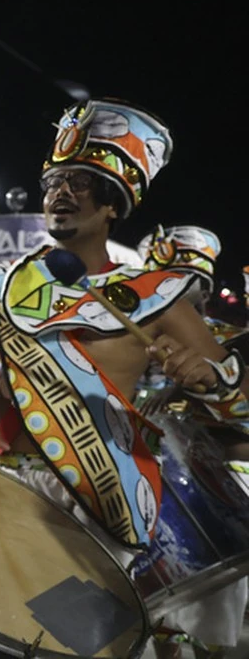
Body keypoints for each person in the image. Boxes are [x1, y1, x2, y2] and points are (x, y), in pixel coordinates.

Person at [0, 100, 248, 658]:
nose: (61, 191)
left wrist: (209, 379)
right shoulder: (10, 281)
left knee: (70, 645)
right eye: (55, 180)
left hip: (102, 499)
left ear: (111, 206)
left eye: (81, 182)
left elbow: (237, 402)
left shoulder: (156, 294)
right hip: (5, 485)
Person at [134, 224, 249, 656]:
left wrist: (205, 386)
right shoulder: (163, 338)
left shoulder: (232, 342)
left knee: (203, 619)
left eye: (184, 288)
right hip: (181, 482)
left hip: (227, 484)